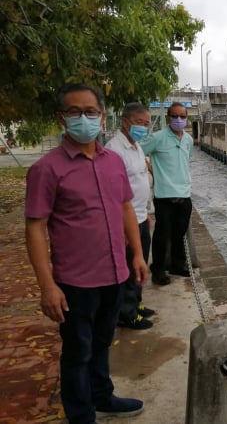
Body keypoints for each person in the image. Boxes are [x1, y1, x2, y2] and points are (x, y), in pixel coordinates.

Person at [25, 83, 147, 423]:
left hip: (115, 272)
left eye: (91, 112)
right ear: (61, 119)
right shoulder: (47, 169)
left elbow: (126, 208)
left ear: (103, 116)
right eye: (75, 112)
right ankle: (81, 415)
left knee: (103, 340)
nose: (84, 118)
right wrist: (47, 286)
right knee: (77, 350)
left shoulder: (114, 162)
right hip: (75, 280)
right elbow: (35, 228)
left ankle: (102, 395)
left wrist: (136, 255)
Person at [105, 102, 155, 330]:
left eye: (146, 124)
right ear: (125, 122)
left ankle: (136, 303)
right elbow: (112, 193)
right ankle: (126, 313)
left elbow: (141, 180)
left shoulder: (137, 146)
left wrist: (148, 211)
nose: (143, 128)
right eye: (138, 123)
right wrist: (121, 226)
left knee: (140, 263)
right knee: (127, 267)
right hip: (127, 221)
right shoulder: (114, 150)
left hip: (141, 216)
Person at [140, 102, 193, 286]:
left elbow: (185, 161)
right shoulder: (158, 138)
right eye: (175, 116)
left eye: (182, 116)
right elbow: (138, 152)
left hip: (184, 195)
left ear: (187, 118)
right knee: (162, 236)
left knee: (179, 234)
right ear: (168, 117)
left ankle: (177, 265)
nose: (179, 120)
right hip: (164, 198)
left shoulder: (188, 140)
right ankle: (158, 270)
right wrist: (151, 169)